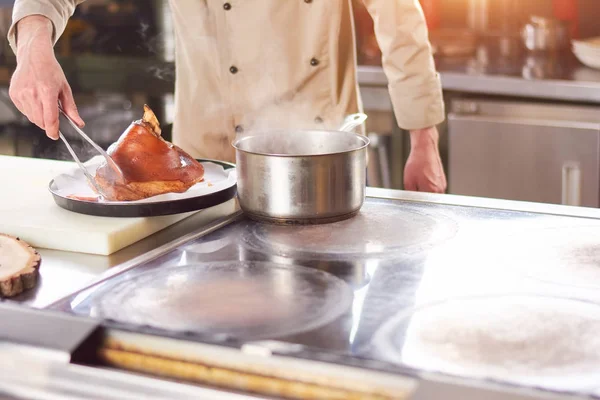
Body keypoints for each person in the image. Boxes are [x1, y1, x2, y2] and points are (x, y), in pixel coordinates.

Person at [7, 0, 447, 193]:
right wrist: (33, 43)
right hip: (207, 169)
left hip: (319, 164)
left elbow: (399, 21)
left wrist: (423, 140)